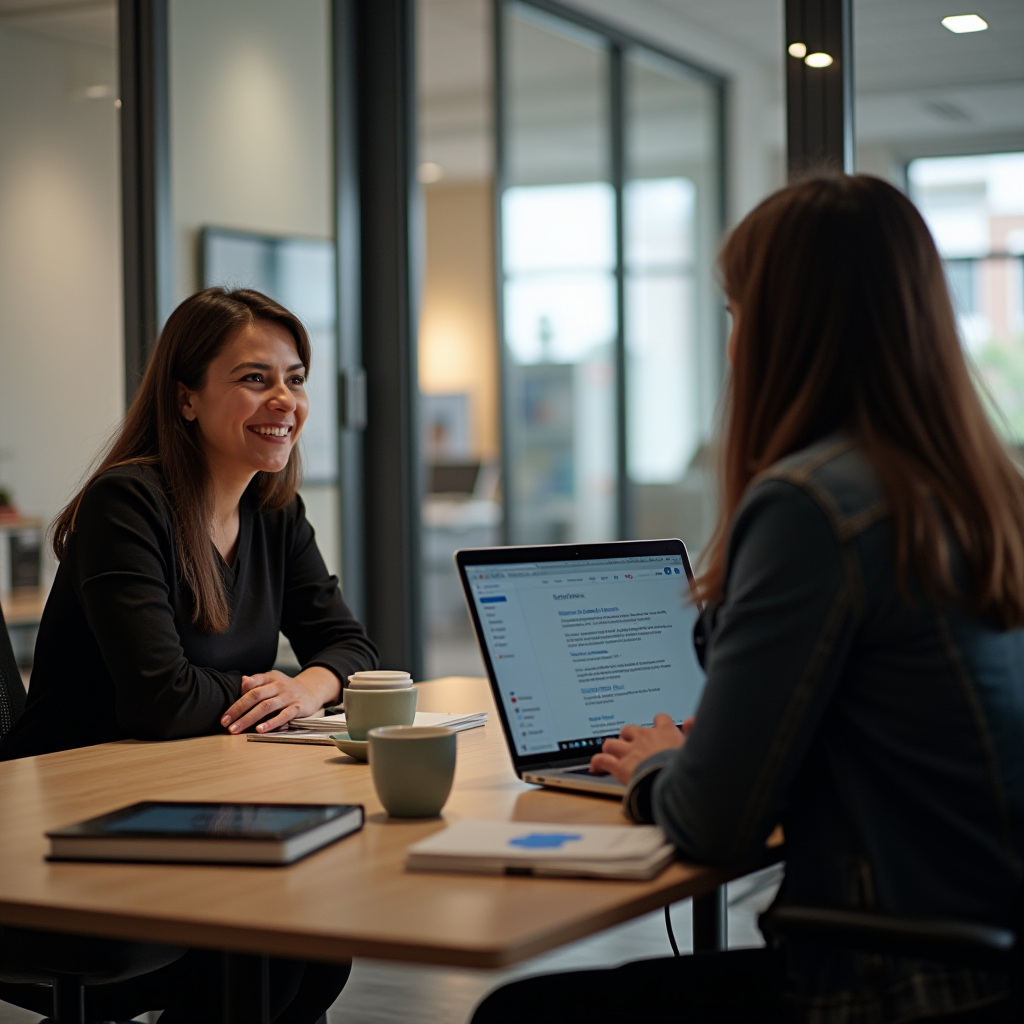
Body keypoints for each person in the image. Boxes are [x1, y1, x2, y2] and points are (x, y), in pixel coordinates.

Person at [472, 175, 1024, 1024]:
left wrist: (658, 761)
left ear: (787, 328)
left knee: (520, 1014)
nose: (732, 347)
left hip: (896, 983)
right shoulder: (980, 489)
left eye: (737, 314)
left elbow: (716, 825)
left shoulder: (813, 504)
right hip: (988, 958)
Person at [0, 287, 377, 1022]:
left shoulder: (274, 511)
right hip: (80, 824)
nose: (285, 400)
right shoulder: (127, 504)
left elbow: (353, 646)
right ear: (186, 399)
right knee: (266, 949)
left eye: (295, 378)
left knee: (318, 945)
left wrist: (308, 689)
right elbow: (161, 698)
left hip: (191, 807)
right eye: (253, 378)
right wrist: (273, 692)